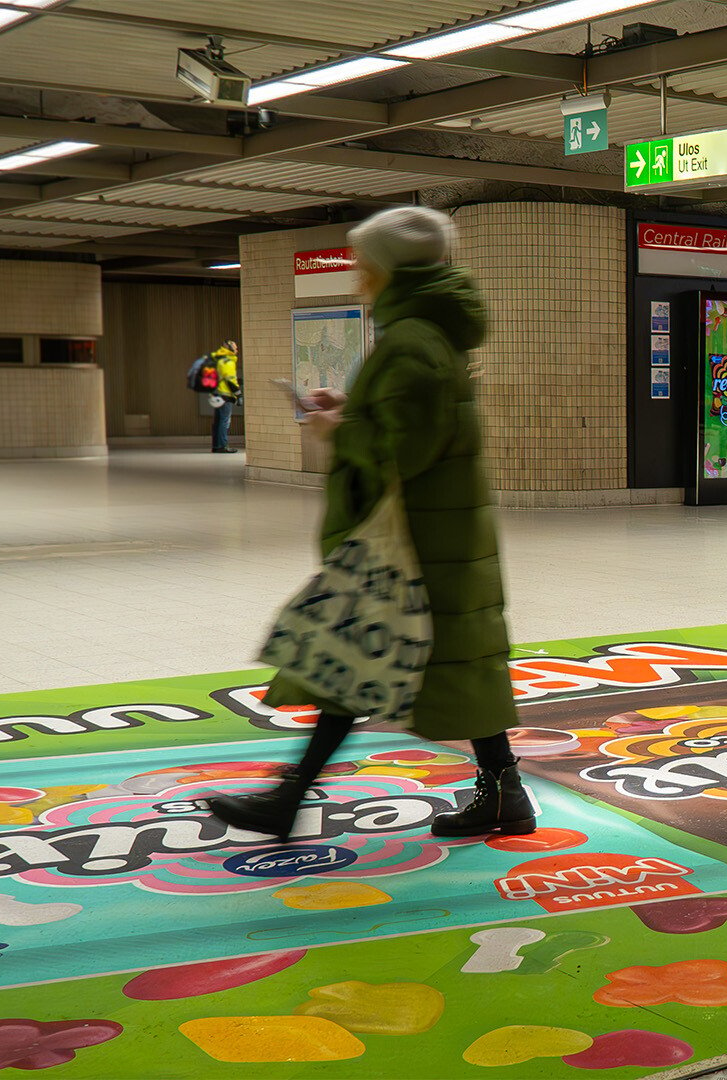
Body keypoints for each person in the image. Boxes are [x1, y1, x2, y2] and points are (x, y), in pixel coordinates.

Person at [208, 206, 533, 841]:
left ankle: (289, 799)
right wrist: (355, 409)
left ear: (388, 270)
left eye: (363, 265)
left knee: (351, 651)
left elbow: (400, 453)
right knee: (433, 657)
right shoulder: (427, 335)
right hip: (433, 535)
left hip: (411, 539)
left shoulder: (411, 340)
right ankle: (502, 791)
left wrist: (339, 429)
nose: (357, 277)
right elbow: (415, 424)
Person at [200, 342, 242, 454]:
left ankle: (216, 446)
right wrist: (238, 394)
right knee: (224, 421)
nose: (237, 350)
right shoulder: (227, 361)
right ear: (230, 348)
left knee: (218, 421)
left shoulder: (219, 359)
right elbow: (229, 380)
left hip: (217, 393)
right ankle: (222, 446)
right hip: (225, 395)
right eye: (236, 347)